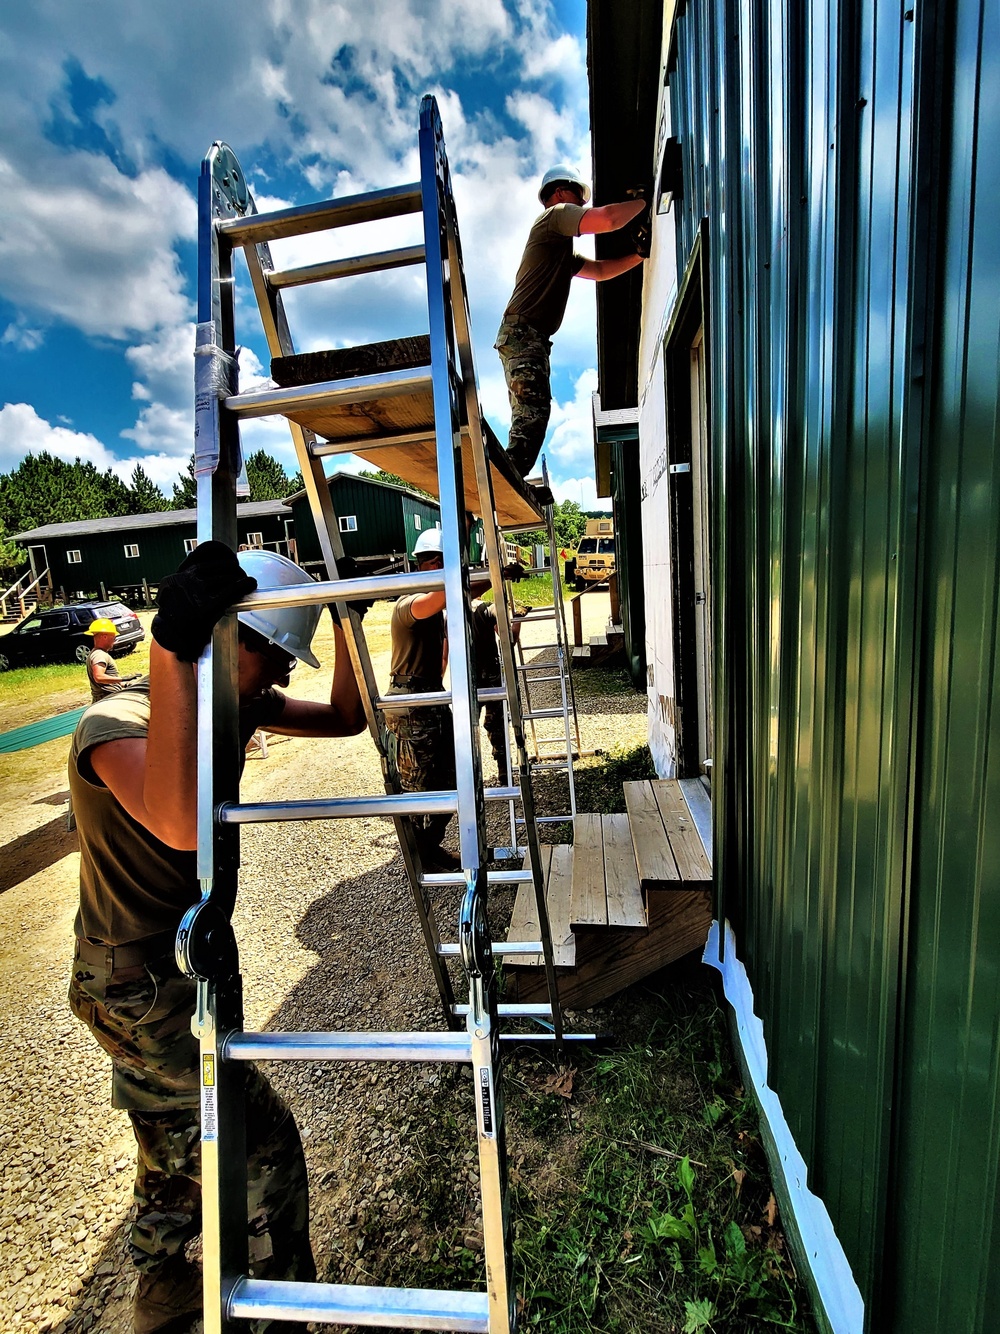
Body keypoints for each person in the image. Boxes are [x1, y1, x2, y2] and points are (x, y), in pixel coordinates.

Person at [67, 543, 366, 1334]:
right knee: (260, 1144)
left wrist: (350, 619)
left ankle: (161, 1288)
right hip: (133, 986)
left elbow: (345, 717)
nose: (283, 676)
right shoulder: (115, 722)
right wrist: (170, 644)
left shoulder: (233, 705)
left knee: (171, 1139)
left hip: (166, 970)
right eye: (275, 656)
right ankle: (281, 1305)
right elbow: (180, 819)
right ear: (228, 639)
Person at [496, 165, 648, 479]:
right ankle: (502, 478)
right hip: (525, 334)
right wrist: (648, 201)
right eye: (579, 196)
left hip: (524, 336)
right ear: (562, 191)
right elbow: (606, 219)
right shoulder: (555, 216)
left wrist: (639, 256)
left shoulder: (559, 249)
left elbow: (601, 272)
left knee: (529, 414)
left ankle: (502, 475)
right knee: (533, 412)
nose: (581, 204)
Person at [385, 528, 458, 873]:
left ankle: (429, 849)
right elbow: (441, 596)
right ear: (423, 565)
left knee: (451, 784)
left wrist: (495, 574)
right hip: (410, 704)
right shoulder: (408, 604)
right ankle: (418, 858)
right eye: (438, 562)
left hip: (431, 698)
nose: (443, 568)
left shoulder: (437, 603)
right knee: (417, 789)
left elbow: (459, 590)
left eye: (446, 563)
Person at [84, 617, 144, 702]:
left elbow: (107, 682)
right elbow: (99, 677)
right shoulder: (99, 655)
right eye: (113, 636)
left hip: (104, 698)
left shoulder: (96, 653)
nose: (114, 639)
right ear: (104, 636)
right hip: (108, 699)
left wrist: (126, 684)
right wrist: (123, 678)